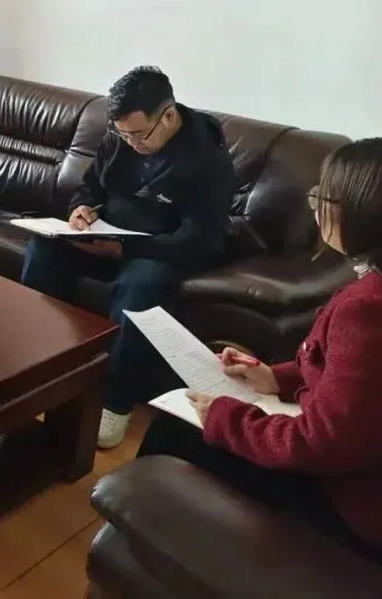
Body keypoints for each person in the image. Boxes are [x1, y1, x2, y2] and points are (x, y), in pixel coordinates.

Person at [138, 138, 382, 560]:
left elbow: (323, 444)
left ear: (363, 212)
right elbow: (355, 384)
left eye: (323, 197)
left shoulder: (367, 308)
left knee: (174, 431)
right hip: (350, 469)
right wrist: (275, 377)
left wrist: (226, 417)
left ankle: (148, 557)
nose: (314, 208)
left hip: (350, 504)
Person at [19, 66, 234, 449]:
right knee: (43, 249)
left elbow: (199, 241)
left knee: (141, 288)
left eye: (139, 134)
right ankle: (41, 362)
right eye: (123, 134)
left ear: (168, 115)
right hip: (107, 236)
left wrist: (127, 249)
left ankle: (115, 403)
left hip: (158, 250)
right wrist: (80, 209)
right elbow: (89, 186)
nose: (131, 143)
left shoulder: (209, 160)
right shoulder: (119, 138)